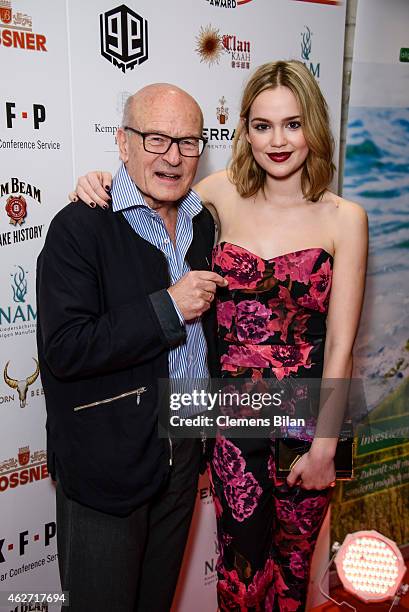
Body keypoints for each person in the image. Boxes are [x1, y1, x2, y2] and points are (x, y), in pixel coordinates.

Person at [70, 60, 368, 611]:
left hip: (313, 418)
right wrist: (100, 179)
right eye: (262, 125)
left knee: (293, 579)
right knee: (240, 572)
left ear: (315, 128)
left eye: (293, 124)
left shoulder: (344, 218)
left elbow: (344, 344)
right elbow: (154, 184)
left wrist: (326, 446)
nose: (277, 140)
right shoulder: (218, 194)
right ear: (245, 131)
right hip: (234, 416)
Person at [36, 83, 227, 612]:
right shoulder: (80, 226)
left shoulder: (203, 222)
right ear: (123, 143)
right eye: (156, 139)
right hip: (107, 467)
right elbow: (66, 348)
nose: (173, 157)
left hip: (184, 456)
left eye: (188, 142)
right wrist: (167, 308)